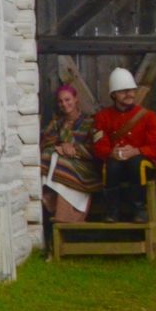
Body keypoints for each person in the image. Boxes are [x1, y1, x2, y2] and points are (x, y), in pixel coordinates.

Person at [93, 67, 156, 223]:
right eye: (124, 91)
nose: (130, 94)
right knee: (112, 165)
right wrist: (112, 152)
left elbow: (155, 148)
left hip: (141, 164)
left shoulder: (148, 116)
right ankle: (113, 212)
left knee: (135, 163)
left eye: (131, 90)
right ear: (114, 95)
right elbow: (99, 147)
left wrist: (136, 151)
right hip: (115, 164)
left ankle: (140, 210)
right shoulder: (103, 117)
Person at [40, 83, 101, 223]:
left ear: (75, 99)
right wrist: (60, 146)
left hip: (84, 167)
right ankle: (55, 203)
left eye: (67, 100)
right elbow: (46, 144)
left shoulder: (89, 121)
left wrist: (74, 149)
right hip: (63, 164)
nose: (64, 104)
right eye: (60, 101)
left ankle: (70, 215)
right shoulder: (58, 123)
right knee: (47, 157)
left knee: (62, 164)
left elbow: (95, 149)